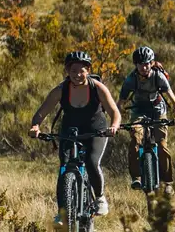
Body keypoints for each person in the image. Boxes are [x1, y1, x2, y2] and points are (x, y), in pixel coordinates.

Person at [27, 50, 123, 219]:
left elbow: (114, 112)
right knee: (64, 167)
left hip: (96, 130)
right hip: (69, 130)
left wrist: (114, 126)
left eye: (82, 70)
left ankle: (99, 198)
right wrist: (36, 126)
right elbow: (41, 112)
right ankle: (63, 213)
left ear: (88, 70)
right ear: (67, 71)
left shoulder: (97, 88)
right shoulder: (61, 89)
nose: (78, 75)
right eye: (73, 71)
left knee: (91, 162)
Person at [118, 44, 175, 189]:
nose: (144, 67)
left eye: (147, 64)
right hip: (138, 111)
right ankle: (136, 177)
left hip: (158, 110)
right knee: (135, 139)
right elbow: (119, 103)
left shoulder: (158, 77)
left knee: (161, 145)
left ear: (152, 63)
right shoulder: (130, 80)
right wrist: (116, 122)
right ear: (136, 65)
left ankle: (168, 182)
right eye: (140, 64)